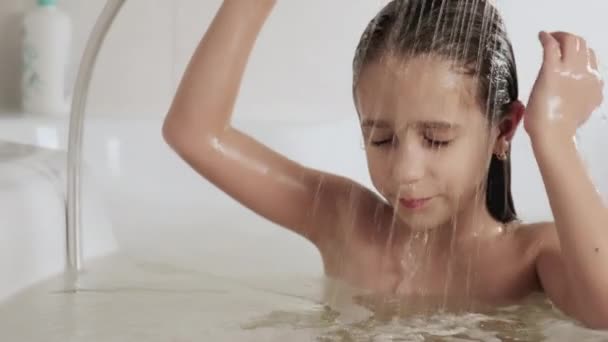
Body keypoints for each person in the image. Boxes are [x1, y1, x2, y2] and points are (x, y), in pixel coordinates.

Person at [162, 0, 606, 329]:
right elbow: (196, 133)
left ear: (503, 129)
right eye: (381, 138)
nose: (404, 172)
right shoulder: (344, 221)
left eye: (436, 139)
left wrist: (554, 135)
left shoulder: (531, 258)